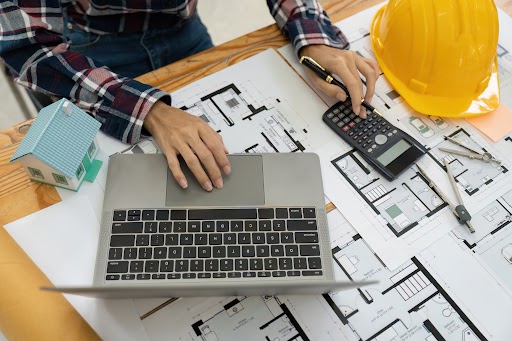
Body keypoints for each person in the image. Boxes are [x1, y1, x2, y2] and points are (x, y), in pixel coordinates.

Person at [0, 0, 380, 191]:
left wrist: (312, 34)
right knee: (91, 192)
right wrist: (147, 109)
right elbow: (28, 45)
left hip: (183, 30)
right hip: (87, 50)